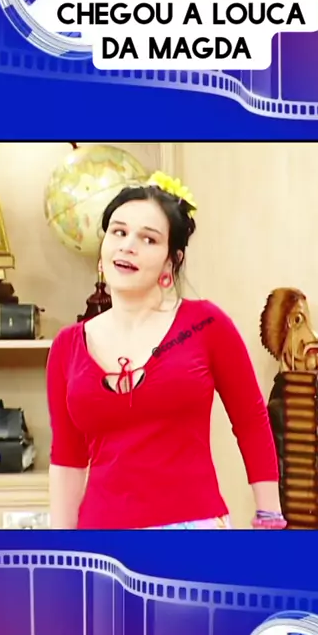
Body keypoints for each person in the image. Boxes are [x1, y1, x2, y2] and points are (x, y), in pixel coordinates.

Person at [46, 171, 286, 530]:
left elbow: (251, 422)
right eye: (119, 232)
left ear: (171, 261)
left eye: (149, 239)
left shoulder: (206, 324)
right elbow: (68, 459)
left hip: (194, 530)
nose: (128, 246)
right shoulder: (67, 345)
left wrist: (270, 514)